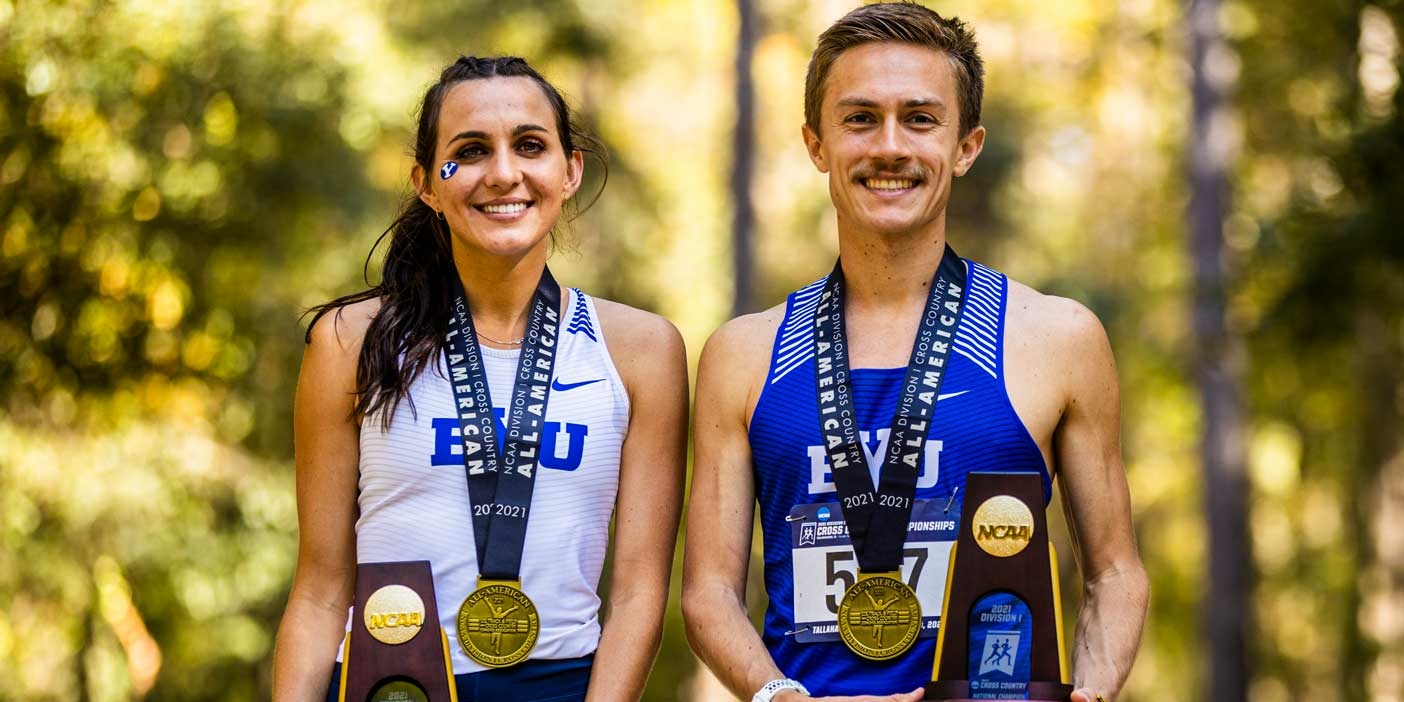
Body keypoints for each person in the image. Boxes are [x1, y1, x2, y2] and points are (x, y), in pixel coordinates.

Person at [682, 4, 1148, 702]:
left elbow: (1114, 572)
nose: (890, 146)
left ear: (966, 145)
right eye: (860, 118)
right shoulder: (743, 353)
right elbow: (709, 594)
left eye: (921, 119)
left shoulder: (1059, 338)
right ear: (816, 145)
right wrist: (779, 698)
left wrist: (1095, 690)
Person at [271, 56, 687, 702]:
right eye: (468, 152)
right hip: (389, 687)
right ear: (427, 184)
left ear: (569, 170)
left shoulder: (641, 350)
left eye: (529, 146)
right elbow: (322, 588)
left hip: (560, 683)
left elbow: (637, 595)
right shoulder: (350, 342)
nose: (503, 173)